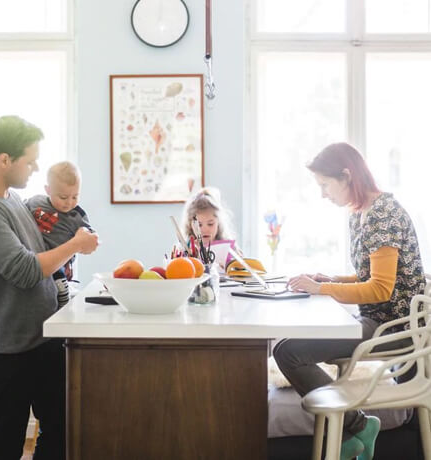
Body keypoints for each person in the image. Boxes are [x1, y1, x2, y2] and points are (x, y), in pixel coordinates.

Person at [0, 115, 99, 460]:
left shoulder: (12, 199)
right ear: (4, 160)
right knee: (7, 443)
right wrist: (76, 245)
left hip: (39, 341)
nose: (35, 168)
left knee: (58, 430)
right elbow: (24, 270)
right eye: (30, 160)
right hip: (6, 351)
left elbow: (41, 255)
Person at [273, 142, 425, 460]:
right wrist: (327, 280)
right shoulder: (360, 212)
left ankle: (356, 426)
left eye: (325, 185)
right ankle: (353, 429)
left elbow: (380, 290)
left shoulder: (384, 215)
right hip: (376, 320)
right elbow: (367, 277)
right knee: (287, 346)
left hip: (393, 327)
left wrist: (321, 289)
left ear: (346, 176)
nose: (323, 194)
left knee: (287, 351)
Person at [25, 161, 93, 308]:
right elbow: (19, 213)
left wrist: (87, 237)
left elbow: (88, 235)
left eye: (75, 197)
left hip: (62, 261)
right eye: (63, 197)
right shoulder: (35, 202)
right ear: (48, 190)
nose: (69, 202)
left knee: (60, 287)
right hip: (38, 257)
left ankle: (63, 297)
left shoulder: (77, 215)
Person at [180, 187, 238, 269]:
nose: (204, 229)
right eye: (199, 225)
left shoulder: (230, 249)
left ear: (218, 223)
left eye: (210, 224)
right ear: (190, 225)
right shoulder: (184, 249)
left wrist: (238, 263)